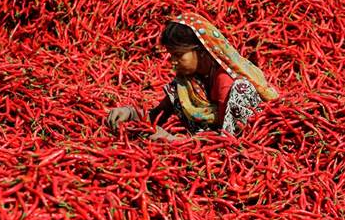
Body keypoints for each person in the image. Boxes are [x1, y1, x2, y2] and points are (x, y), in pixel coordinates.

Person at [107, 12, 278, 141]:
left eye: (178, 55)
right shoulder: (187, 83)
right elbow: (157, 115)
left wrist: (172, 140)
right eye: (171, 55)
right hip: (198, 151)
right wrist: (129, 113)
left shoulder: (227, 83)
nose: (173, 62)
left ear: (203, 52)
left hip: (233, 150)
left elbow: (231, 143)